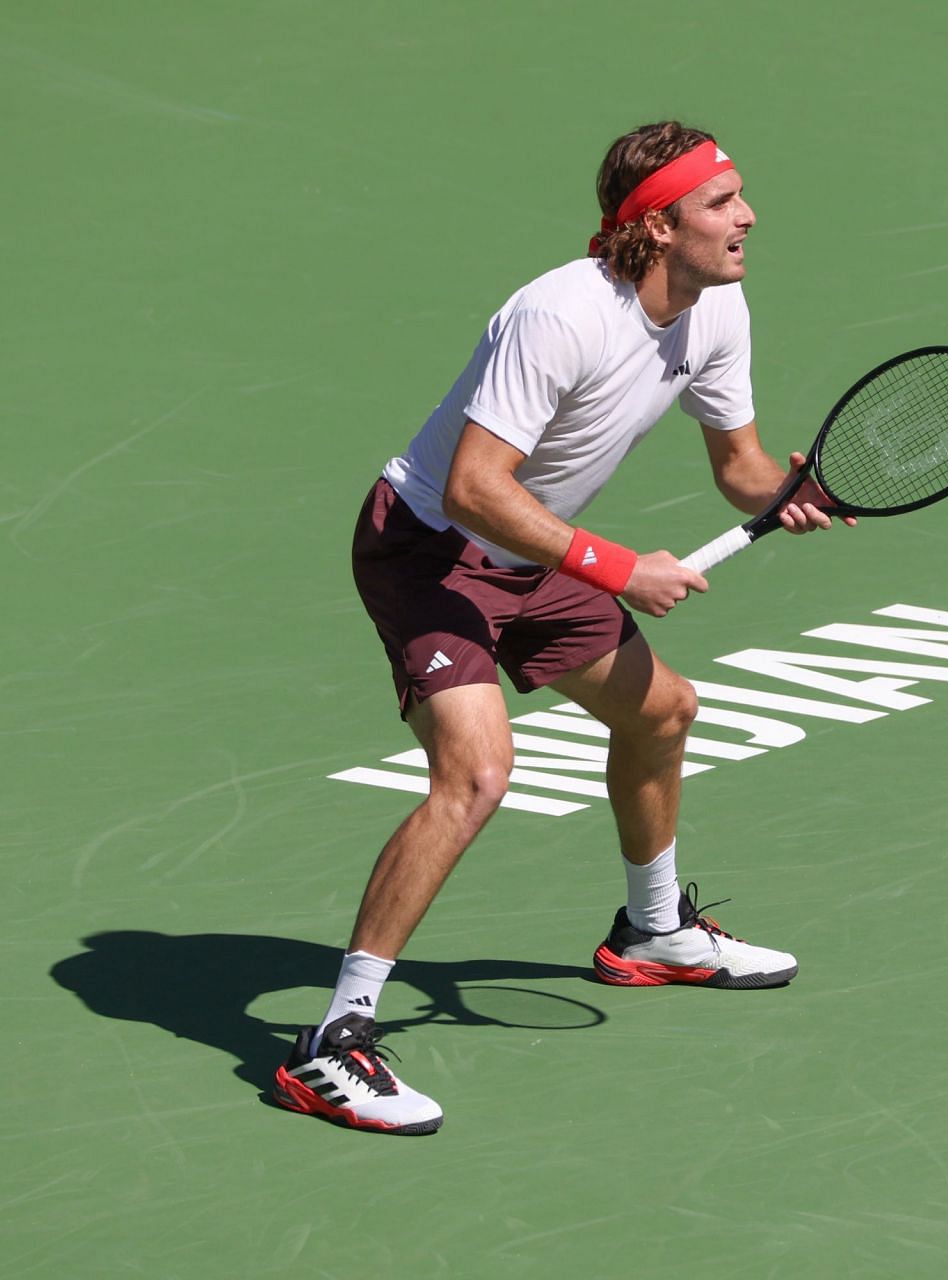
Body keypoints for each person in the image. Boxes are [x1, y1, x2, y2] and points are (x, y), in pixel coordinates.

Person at [272, 121, 847, 1135]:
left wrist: (798, 488)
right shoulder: (560, 313)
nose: (748, 216)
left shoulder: (717, 308)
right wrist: (624, 568)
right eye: (722, 203)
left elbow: (741, 469)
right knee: (479, 773)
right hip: (432, 548)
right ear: (660, 226)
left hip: (532, 551)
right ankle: (336, 1038)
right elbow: (474, 487)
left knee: (664, 711)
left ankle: (655, 930)